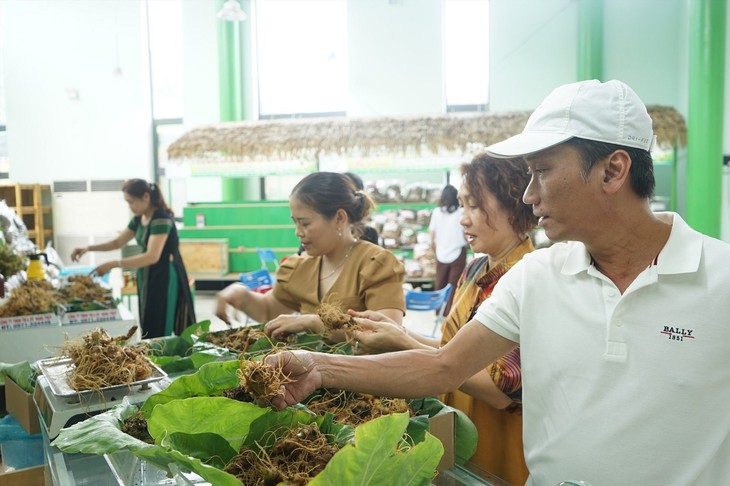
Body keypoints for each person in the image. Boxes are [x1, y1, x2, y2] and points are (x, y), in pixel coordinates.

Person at [264, 79, 730, 485]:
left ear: (612, 170)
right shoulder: (537, 277)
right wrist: (321, 367)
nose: (529, 194)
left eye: (542, 170)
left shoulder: (721, 279)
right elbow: (444, 367)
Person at [349, 154, 536, 485]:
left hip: (499, 438)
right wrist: (397, 332)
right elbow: (457, 350)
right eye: (462, 206)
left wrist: (405, 342)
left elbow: (498, 391)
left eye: (474, 206)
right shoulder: (476, 269)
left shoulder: (529, 278)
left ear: (514, 207)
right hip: (459, 426)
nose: (463, 220)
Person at [215, 171, 405, 339]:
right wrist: (241, 295)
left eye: (305, 223)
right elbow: (269, 311)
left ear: (339, 218)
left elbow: (388, 334)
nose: (298, 232)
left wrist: (314, 323)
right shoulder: (300, 267)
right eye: (295, 223)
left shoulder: (376, 265)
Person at [71, 179, 196, 338]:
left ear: (145, 197)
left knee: (160, 321)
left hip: (164, 275)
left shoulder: (160, 219)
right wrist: (88, 248)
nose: (130, 206)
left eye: (131, 202)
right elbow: (117, 242)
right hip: (147, 275)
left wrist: (113, 264)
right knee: (148, 318)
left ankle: (160, 355)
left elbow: (152, 256)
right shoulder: (139, 219)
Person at [428, 184, 467, 315]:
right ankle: (449, 313)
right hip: (458, 252)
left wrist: (434, 247)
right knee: (454, 285)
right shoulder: (461, 212)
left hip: (441, 253)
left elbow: (431, 234)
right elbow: (465, 232)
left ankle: (437, 310)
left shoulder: (437, 212)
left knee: (440, 282)